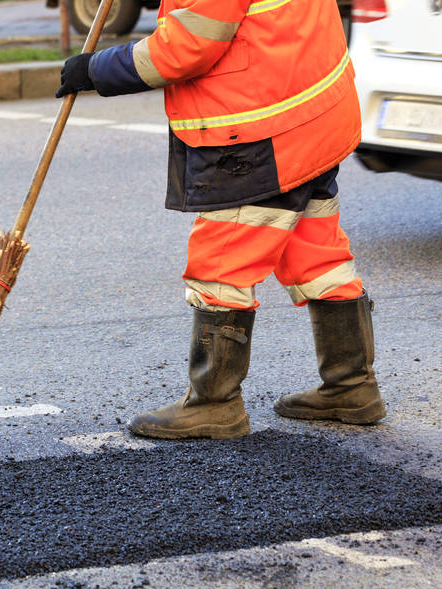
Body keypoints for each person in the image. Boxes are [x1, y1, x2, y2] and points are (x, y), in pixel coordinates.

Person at [56, 0, 385, 440]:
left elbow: (190, 43)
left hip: (260, 127)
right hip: (314, 109)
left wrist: (96, 70)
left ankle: (214, 403)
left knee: (223, 259)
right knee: (316, 253)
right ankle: (352, 387)